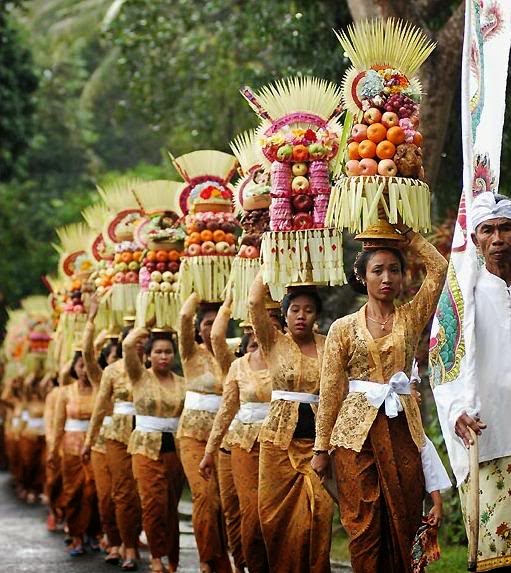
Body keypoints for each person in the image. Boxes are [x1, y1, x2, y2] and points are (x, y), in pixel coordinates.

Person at [312, 223, 449, 573]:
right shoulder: (342, 328)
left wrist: (409, 237)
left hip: (402, 430)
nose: (387, 277)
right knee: (362, 527)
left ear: (403, 277)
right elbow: (329, 389)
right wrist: (320, 448)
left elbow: (439, 269)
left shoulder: (411, 316)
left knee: (404, 521)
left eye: (394, 270)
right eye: (377, 270)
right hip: (354, 438)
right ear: (362, 277)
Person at [433, 192, 511, 571]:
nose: (498, 239)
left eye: (506, 228)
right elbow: (442, 362)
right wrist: (456, 410)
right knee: (497, 555)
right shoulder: (462, 295)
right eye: (488, 230)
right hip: (489, 437)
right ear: (476, 239)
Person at [248, 273, 333, 573]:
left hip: (318, 444)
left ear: (317, 316)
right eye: (295, 309)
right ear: (283, 315)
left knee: (320, 512)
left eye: (308, 310)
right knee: (274, 517)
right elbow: (254, 301)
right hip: (277, 443)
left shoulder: (329, 346)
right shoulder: (273, 342)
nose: (301, 316)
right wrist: (268, 260)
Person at [200, 320, 277, 573]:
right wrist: (210, 451)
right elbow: (226, 411)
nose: (261, 339)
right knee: (250, 516)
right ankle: (247, 565)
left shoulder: (289, 360)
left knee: (279, 517)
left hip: (283, 444)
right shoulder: (237, 367)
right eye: (253, 341)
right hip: (244, 446)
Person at [82, 323, 146, 571]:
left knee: (141, 492)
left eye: (143, 341)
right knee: (119, 494)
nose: (138, 345)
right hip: (117, 435)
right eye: (133, 341)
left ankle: (132, 539)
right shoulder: (111, 371)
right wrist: (89, 440)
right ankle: (122, 543)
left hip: (144, 435)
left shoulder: (150, 370)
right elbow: (99, 408)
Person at [177, 292, 232, 573]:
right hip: (192, 435)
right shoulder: (190, 353)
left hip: (222, 437)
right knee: (205, 495)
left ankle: (223, 559)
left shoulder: (230, 353)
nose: (211, 328)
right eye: (206, 323)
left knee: (224, 501)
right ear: (198, 329)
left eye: (216, 322)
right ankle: (206, 559)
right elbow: (184, 316)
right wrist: (202, 286)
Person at [124, 328, 186, 573]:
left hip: (174, 447)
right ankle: (156, 556)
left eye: (168, 352)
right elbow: (129, 345)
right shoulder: (139, 376)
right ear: (148, 356)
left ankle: (172, 557)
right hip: (145, 447)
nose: (164, 356)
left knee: (171, 504)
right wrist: (149, 321)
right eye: (158, 352)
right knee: (153, 503)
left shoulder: (182, 382)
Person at [48, 350, 101, 556]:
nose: (85, 370)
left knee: (95, 491)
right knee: (73, 492)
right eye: (81, 366)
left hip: (95, 445)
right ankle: (76, 535)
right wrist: (53, 450)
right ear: (74, 368)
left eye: (89, 366)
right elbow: (58, 423)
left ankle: (94, 532)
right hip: (70, 448)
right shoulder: (65, 392)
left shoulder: (99, 389)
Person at [81, 298, 122, 564]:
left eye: (121, 357)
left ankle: (127, 539)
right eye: (112, 357)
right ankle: (112, 539)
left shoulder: (135, 376)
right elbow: (86, 354)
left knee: (126, 494)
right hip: (100, 444)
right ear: (105, 361)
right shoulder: (100, 377)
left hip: (126, 441)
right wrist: (92, 320)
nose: (117, 362)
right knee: (106, 495)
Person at [208, 294, 245, 573]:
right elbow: (217, 336)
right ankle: (241, 564)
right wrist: (232, 296)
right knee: (233, 512)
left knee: (258, 515)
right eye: (252, 344)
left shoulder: (283, 361)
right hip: (231, 447)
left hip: (269, 445)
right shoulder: (235, 366)